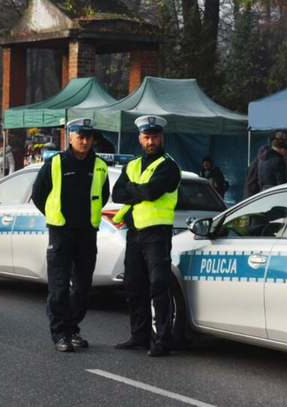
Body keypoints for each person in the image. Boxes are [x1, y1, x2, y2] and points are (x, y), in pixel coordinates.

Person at [31, 118, 110, 353]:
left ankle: (72, 328)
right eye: (80, 136)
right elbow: (38, 194)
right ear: (70, 137)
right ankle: (59, 334)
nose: (85, 141)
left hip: (87, 233)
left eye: (88, 137)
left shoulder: (99, 165)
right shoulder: (55, 163)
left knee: (83, 287)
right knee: (59, 287)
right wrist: (55, 216)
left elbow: (103, 195)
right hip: (61, 233)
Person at [112, 115, 181, 357]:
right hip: (134, 234)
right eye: (146, 137)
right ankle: (139, 336)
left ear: (161, 137)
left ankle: (163, 339)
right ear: (140, 138)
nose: (151, 141)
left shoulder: (168, 166)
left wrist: (134, 190)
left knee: (159, 287)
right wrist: (137, 191)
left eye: (155, 136)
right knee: (133, 286)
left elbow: (151, 192)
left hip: (157, 234)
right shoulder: (131, 165)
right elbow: (116, 194)